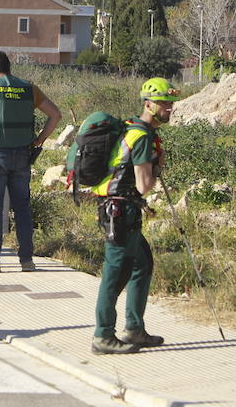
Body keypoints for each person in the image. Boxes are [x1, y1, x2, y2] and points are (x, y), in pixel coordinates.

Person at [88, 78, 178, 355]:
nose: (169, 108)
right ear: (148, 104)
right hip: (119, 210)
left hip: (123, 208)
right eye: (164, 103)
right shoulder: (141, 136)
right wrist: (155, 166)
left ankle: (135, 330)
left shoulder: (133, 128)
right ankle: (103, 336)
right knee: (114, 273)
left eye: (170, 103)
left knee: (142, 264)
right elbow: (144, 185)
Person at [0, 50, 62, 273]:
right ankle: (27, 260)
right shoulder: (29, 87)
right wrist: (40, 140)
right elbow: (55, 115)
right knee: (22, 208)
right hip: (22, 154)